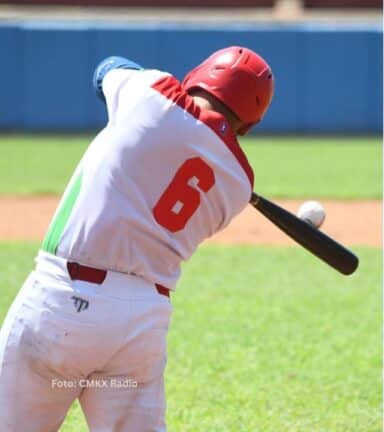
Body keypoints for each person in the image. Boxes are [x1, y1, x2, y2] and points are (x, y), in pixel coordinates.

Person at [0, 46, 273, 431]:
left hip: (61, 302)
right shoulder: (239, 184)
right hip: (139, 324)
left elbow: (106, 68)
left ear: (196, 77)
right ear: (249, 125)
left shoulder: (151, 92)